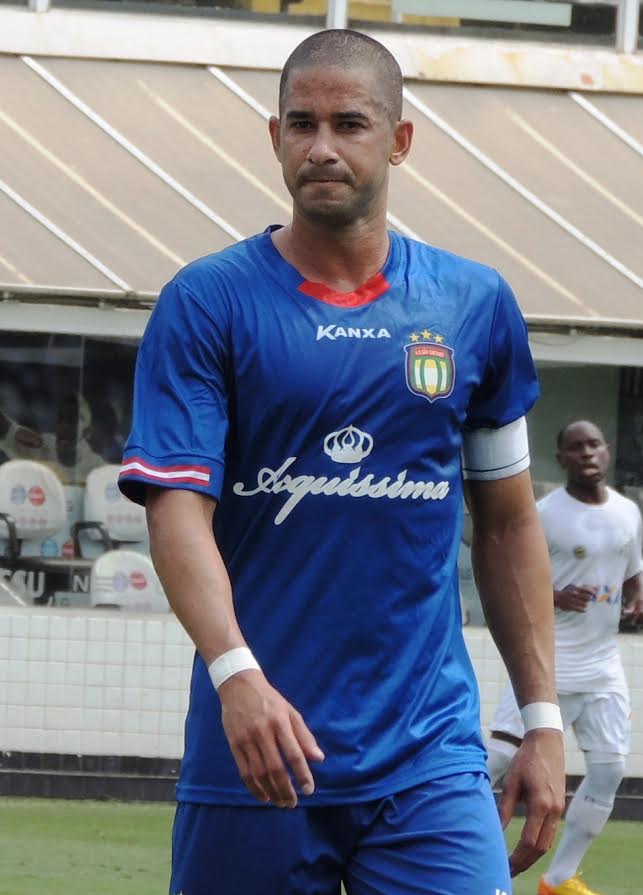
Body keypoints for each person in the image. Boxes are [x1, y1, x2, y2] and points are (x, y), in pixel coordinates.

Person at [118, 29, 565, 895]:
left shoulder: (473, 305)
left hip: (429, 755)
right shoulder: (207, 302)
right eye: (301, 124)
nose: (321, 147)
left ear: (399, 140)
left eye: (349, 123)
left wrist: (541, 719)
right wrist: (235, 674)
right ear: (275, 136)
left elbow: (508, 524)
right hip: (259, 745)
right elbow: (175, 511)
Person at [486, 420, 643, 895]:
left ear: (608, 450)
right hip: (547, 663)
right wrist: (556, 596)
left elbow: (634, 572)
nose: (587, 453)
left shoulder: (627, 512)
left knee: (609, 770)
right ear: (560, 457)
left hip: (602, 667)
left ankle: (559, 879)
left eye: (594, 444)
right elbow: (510, 576)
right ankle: (466, 857)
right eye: (576, 447)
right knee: (497, 759)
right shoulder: (543, 514)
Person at [0, 392, 104, 484]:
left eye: (73, 421)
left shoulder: (96, 468)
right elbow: (6, 429)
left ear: (87, 432)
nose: (64, 426)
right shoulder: (41, 448)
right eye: (61, 419)